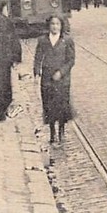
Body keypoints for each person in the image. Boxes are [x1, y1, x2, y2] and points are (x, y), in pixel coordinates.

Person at [34, 14, 75, 148]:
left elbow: (71, 60)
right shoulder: (43, 40)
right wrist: (37, 71)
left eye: (57, 24)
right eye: (52, 24)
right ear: (48, 26)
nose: (55, 27)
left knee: (62, 105)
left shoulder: (67, 40)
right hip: (47, 79)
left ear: (61, 26)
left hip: (62, 80)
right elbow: (38, 57)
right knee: (49, 105)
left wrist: (61, 72)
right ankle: (52, 132)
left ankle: (61, 131)